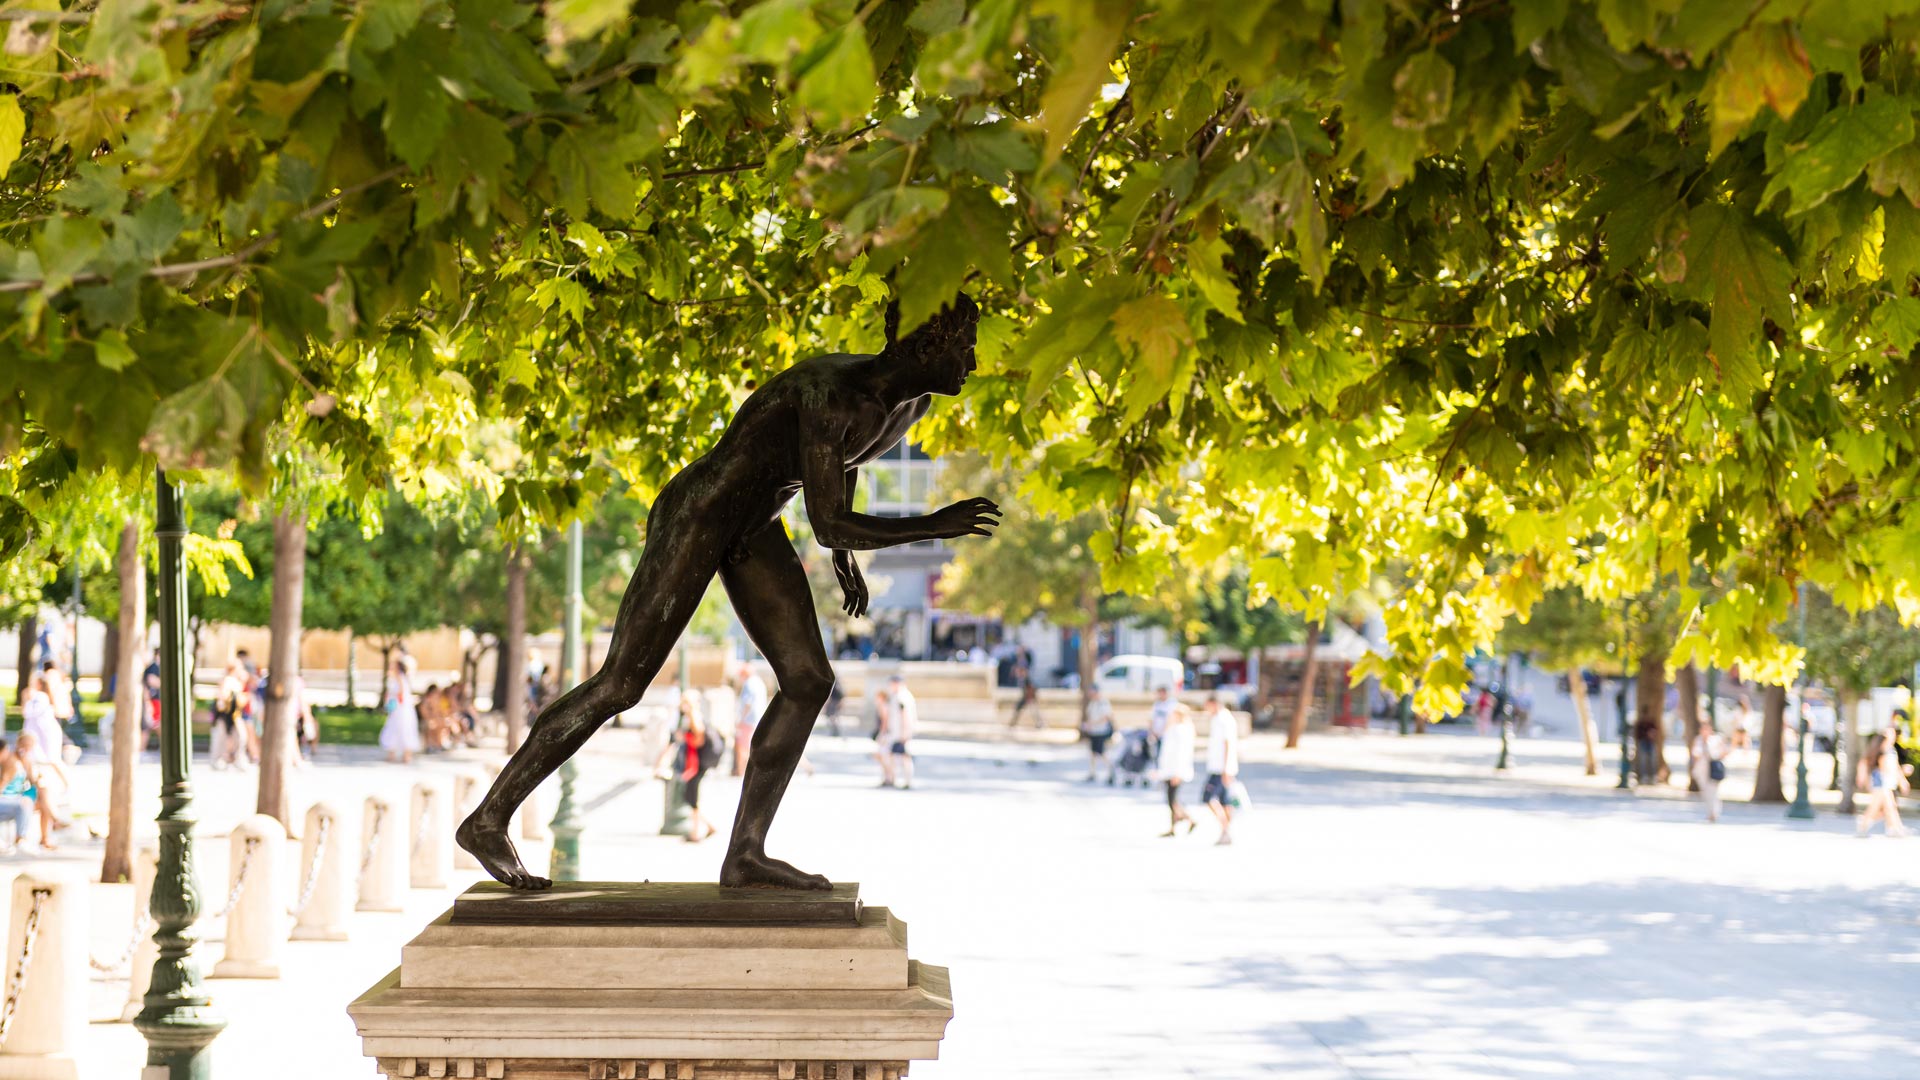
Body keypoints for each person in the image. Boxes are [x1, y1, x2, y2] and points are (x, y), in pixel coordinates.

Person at [654, 695, 718, 843]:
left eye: (684, 703)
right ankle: (706, 827)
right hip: (692, 762)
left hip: (696, 762)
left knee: (691, 795)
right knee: (690, 796)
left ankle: (697, 831)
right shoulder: (685, 717)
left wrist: (684, 738)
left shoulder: (693, 717)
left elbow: (698, 739)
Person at [1856, 725, 1910, 838]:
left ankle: (1894, 828)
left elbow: (1895, 767)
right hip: (1881, 781)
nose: (1892, 736)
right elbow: (1866, 762)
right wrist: (1862, 777)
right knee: (1878, 807)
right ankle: (1864, 826)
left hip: (1888, 781)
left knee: (1890, 806)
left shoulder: (1890, 749)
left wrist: (1902, 780)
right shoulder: (1880, 749)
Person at [1200, 694, 1240, 845]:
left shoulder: (1224, 720)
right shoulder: (1218, 719)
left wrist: (1226, 768)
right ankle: (1225, 832)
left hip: (1220, 768)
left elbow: (1227, 744)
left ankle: (1225, 828)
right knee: (1224, 801)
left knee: (1208, 798)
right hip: (1219, 766)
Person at [1155, 702, 1197, 837]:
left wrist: (1178, 773)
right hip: (1169, 769)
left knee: (1173, 799)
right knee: (1171, 799)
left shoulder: (1181, 730)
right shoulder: (1174, 729)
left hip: (1175, 770)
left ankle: (1188, 819)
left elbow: (1181, 753)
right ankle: (1174, 825)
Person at [380, 653, 422, 764]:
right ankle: (398, 754)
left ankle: (402, 755)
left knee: (400, 728)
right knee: (397, 728)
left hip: (400, 708)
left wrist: (391, 697)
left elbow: (401, 693)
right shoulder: (401, 677)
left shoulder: (399, 677)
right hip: (400, 708)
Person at [18, 674, 64, 768]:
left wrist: (25, 699)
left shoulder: (39, 697)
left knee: (52, 759)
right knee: (34, 759)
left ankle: (66, 782)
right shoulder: (40, 697)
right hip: (39, 732)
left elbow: (28, 712)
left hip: (43, 732)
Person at [210, 660, 248, 769]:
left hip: (235, 714)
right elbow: (223, 696)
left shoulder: (237, 681)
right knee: (221, 736)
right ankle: (218, 759)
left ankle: (237, 758)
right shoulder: (228, 680)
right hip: (225, 713)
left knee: (240, 736)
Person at [1690, 719, 1728, 823]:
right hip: (1701, 769)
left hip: (1713, 769)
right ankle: (1710, 811)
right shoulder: (1698, 740)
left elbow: (1724, 752)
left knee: (1714, 791)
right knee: (1706, 791)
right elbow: (1695, 754)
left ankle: (1714, 813)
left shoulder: (1716, 740)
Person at [735, 663, 769, 777]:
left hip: (748, 720)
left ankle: (742, 772)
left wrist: (740, 719)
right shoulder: (759, 683)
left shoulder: (749, 684)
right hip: (757, 719)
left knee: (743, 747)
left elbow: (747, 704)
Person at [0, 739, 34, 852]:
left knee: (28, 802)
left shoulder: (18, 761)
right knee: (23, 804)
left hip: (10, 799)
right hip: (6, 799)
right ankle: (21, 839)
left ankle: (21, 839)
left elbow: (31, 781)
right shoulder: (10, 763)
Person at [885, 673, 916, 790]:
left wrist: (905, 733)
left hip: (900, 732)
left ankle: (904, 780)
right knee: (896, 756)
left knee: (904, 757)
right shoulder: (900, 695)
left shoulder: (901, 697)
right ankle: (894, 778)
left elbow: (905, 716)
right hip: (898, 731)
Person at [1080, 687, 1116, 783]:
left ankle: (1110, 771)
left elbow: (1106, 718)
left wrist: (1092, 723)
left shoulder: (1103, 703)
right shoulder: (1093, 703)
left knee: (1102, 753)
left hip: (1101, 732)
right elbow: (1089, 715)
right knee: (1092, 753)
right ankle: (1092, 773)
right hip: (1093, 732)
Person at [872, 678, 897, 788]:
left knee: (883, 756)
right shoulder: (884, 706)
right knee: (884, 756)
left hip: (885, 734)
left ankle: (889, 777)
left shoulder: (883, 707)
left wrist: (881, 735)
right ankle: (888, 777)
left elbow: (884, 722)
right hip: (886, 734)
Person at [1007, 660, 1039, 728]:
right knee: (1020, 710)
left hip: (1027, 697)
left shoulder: (1026, 678)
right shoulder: (1023, 678)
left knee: (1032, 711)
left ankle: (1038, 723)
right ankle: (1013, 723)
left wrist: (1029, 697)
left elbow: (1030, 688)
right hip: (1026, 697)